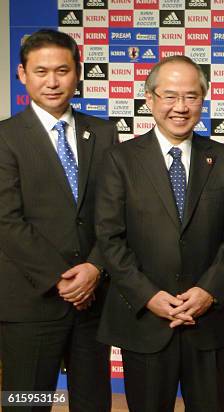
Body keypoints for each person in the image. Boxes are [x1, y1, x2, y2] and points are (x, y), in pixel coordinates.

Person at [95, 55, 224, 412]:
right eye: (169, 96)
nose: (180, 107)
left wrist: (208, 291)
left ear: (203, 98)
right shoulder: (120, 160)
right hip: (145, 321)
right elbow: (109, 237)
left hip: (208, 321)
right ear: (149, 99)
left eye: (191, 96)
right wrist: (149, 296)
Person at [0, 29, 116, 411]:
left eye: (62, 70)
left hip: (93, 301)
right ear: (22, 73)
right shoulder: (6, 138)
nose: (52, 81)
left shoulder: (103, 133)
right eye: (41, 71)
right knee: (26, 403)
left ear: (78, 72)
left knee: (93, 403)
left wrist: (94, 269)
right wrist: (63, 279)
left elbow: (115, 214)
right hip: (30, 305)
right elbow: (7, 221)